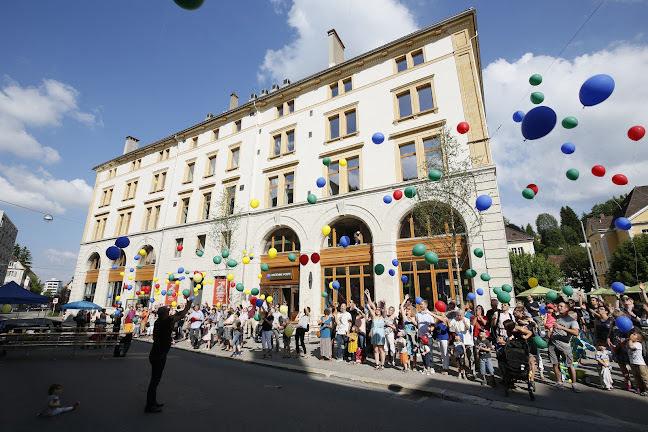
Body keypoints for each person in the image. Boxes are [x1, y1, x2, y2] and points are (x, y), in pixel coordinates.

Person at [145, 299, 193, 413]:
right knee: (154, 381)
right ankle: (150, 405)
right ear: (164, 315)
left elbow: (176, 315)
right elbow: (180, 316)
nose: (169, 313)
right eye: (168, 312)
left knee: (155, 380)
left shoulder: (159, 321)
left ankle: (152, 401)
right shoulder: (165, 322)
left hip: (156, 353)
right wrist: (188, 306)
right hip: (159, 354)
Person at [547, 301, 581, 392]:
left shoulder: (571, 320)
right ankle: (559, 382)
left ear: (567, 309)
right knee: (555, 363)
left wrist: (562, 328)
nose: (559, 307)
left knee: (569, 365)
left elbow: (576, 332)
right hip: (552, 343)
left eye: (561, 306)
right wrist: (550, 332)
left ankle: (574, 384)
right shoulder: (557, 318)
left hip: (564, 344)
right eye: (558, 306)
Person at [609, 309, 634, 390]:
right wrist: (608, 340)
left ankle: (638, 382)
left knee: (632, 365)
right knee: (622, 365)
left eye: (613, 316)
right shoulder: (613, 324)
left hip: (624, 346)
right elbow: (610, 333)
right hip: (616, 346)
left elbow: (628, 337)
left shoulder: (624, 322)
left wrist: (619, 345)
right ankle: (628, 382)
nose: (611, 318)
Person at [449, 309, 474, 377]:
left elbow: (468, 328)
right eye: (458, 315)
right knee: (460, 358)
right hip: (459, 340)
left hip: (466, 339)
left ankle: (473, 371)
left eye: (460, 315)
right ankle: (462, 371)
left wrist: (464, 323)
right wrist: (447, 321)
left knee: (470, 356)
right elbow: (450, 325)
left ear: (463, 315)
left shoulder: (466, 319)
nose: (459, 317)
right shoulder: (455, 319)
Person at [365, 289, 386, 370]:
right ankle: (377, 364)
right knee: (375, 349)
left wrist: (384, 304)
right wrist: (368, 296)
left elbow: (384, 310)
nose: (377, 310)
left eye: (378, 309)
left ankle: (382, 364)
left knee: (381, 349)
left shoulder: (382, 317)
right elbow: (370, 306)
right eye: (376, 309)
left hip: (380, 334)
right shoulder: (373, 316)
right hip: (374, 333)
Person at [415, 297, 436, 372]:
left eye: (422, 304)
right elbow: (417, 324)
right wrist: (414, 322)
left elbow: (433, 325)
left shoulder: (429, 314)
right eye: (420, 304)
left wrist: (430, 331)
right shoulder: (418, 314)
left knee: (429, 351)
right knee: (422, 351)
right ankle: (425, 367)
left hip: (428, 336)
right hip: (420, 335)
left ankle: (431, 367)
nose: (420, 305)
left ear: (426, 305)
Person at [400, 297, 420, 371]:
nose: (407, 310)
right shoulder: (404, 317)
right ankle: (408, 365)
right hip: (407, 336)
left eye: (408, 309)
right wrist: (405, 299)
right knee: (407, 351)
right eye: (407, 309)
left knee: (413, 351)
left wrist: (413, 322)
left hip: (413, 336)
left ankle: (414, 365)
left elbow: (417, 326)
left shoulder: (414, 317)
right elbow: (402, 307)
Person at [429, 307, 450, 375]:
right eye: (435, 311)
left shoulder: (444, 318)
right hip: (438, 337)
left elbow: (442, 319)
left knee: (445, 353)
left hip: (444, 338)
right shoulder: (437, 320)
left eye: (437, 311)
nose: (436, 312)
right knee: (442, 353)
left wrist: (431, 313)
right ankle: (444, 366)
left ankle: (446, 368)